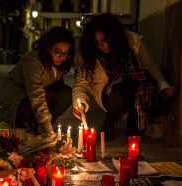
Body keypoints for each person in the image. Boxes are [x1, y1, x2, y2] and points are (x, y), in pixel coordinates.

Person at [72, 13, 174, 141]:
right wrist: (80, 102)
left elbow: (150, 67)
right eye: (96, 42)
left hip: (134, 87)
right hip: (109, 93)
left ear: (114, 35)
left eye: (105, 40)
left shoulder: (134, 42)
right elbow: (82, 83)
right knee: (122, 89)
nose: (101, 46)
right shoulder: (90, 52)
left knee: (144, 85)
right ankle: (109, 120)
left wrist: (164, 85)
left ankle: (133, 119)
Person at [0, 26, 75, 135]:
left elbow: (58, 88)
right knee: (27, 109)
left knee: (67, 94)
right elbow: (36, 94)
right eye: (58, 51)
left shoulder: (61, 62)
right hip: (18, 98)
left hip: (37, 95)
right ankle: (27, 125)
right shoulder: (33, 61)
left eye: (66, 53)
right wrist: (46, 125)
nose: (62, 57)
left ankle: (38, 125)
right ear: (49, 47)